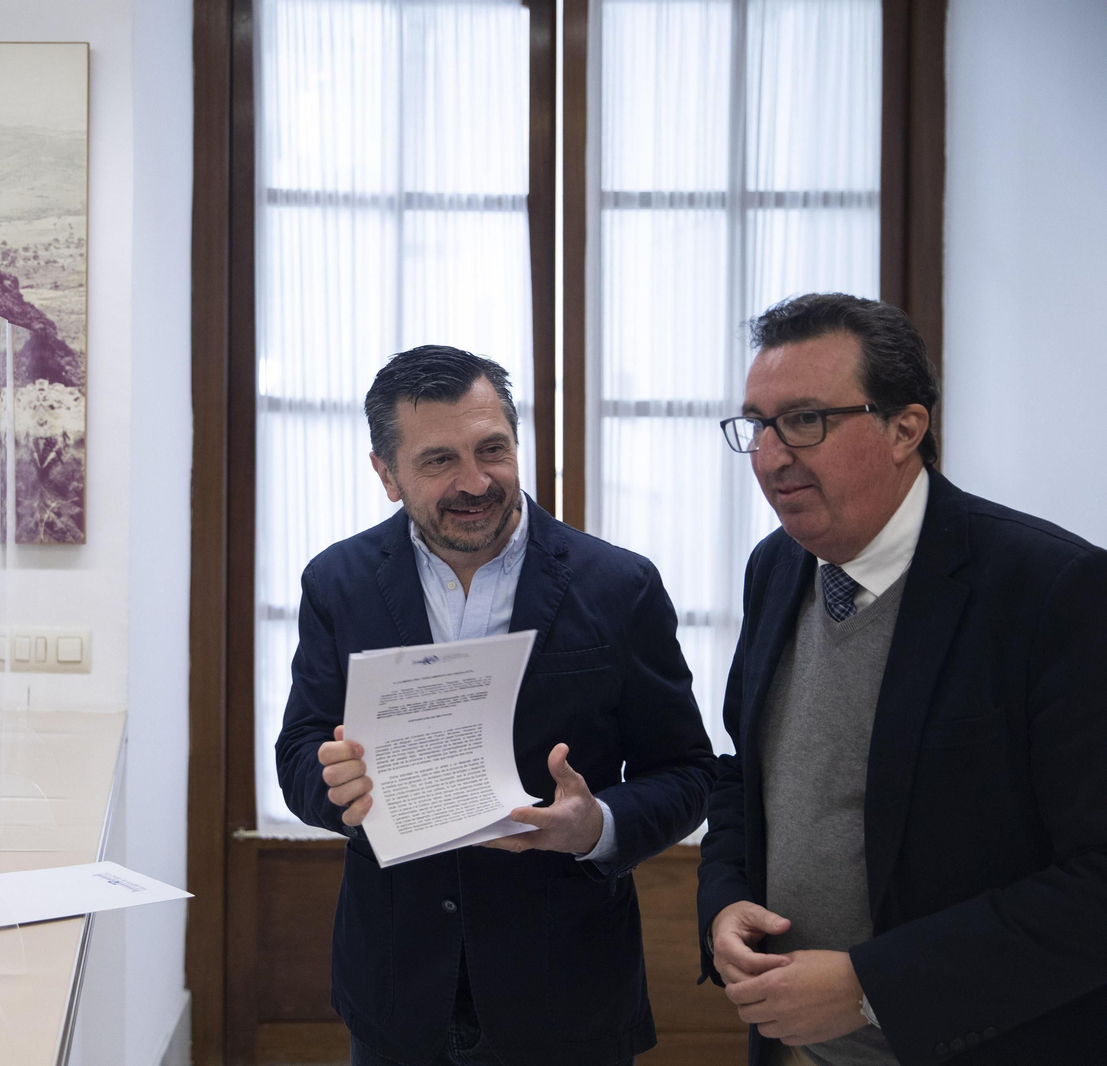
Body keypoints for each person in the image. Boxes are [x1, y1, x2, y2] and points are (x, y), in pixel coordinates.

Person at [276, 344, 716, 1066]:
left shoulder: (619, 585)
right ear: (386, 474)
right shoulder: (337, 583)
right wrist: (335, 789)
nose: (475, 481)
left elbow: (689, 771)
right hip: (396, 992)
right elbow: (298, 752)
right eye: (439, 460)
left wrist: (597, 826)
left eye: (493, 449)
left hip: (568, 992)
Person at [697, 293, 1107, 1066]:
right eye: (757, 424)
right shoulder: (776, 568)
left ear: (904, 429)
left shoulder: (1051, 590)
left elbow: (1097, 882)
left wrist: (870, 987)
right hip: (791, 1050)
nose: (773, 453)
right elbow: (741, 779)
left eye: (806, 420)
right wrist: (721, 904)